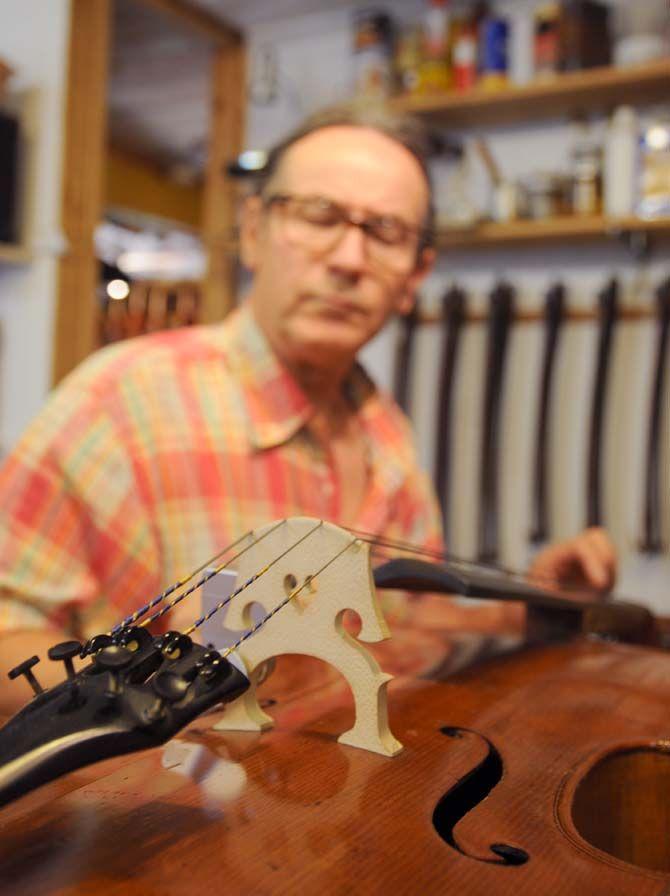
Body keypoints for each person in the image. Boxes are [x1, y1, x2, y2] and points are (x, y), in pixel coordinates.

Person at [0, 103, 616, 713]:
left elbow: (406, 624)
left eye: (385, 233)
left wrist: (533, 598)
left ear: (415, 275)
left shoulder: (385, 429)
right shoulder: (118, 403)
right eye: (319, 216)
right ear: (252, 232)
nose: (349, 260)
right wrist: (155, 686)